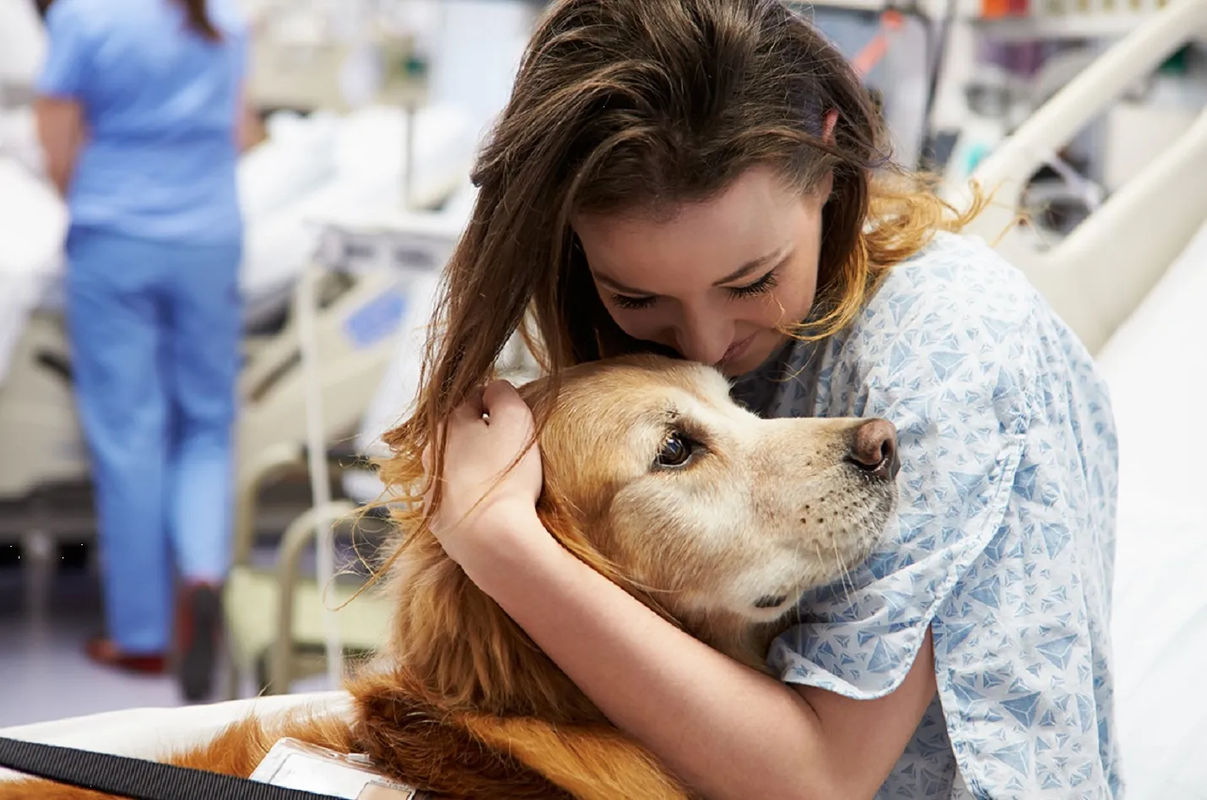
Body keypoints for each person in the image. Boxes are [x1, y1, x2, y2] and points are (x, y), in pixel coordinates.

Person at [385, 0, 1122, 798]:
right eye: (636, 297)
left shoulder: (947, 347)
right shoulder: (604, 342)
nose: (702, 345)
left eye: (751, 282)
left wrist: (498, 545)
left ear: (828, 163)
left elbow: (820, 784)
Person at [33, 0, 251, 702]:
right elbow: (241, 132)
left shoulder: (85, 15)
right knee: (206, 425)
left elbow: (55, 138)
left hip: (115, 236)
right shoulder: (224, 15)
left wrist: (89, 199)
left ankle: (142, 636)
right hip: (211, 240)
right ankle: (205, 576)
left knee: (131, 434)